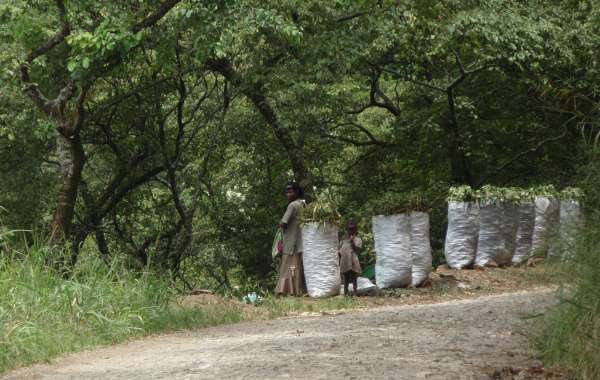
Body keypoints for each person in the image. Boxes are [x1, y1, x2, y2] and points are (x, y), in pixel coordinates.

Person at [274, 182, 306, 296]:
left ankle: (282, 292)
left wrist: (279, 226)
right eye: (287, 192)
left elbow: (283, 222)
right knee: (297, 268)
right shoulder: (303, 204)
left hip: (290, 243)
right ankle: (298, 291)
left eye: (290, 191)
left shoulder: (292, 205)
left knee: (286, 268)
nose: (288, 194)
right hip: (301, 243)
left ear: (297, 192)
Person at [339, 219, 362, 296]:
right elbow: (339, 250)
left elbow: (357, 249)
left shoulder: (358, 239)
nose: (351, 231)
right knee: (346, 278)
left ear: (355, 230)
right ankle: (346, 293)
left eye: (352, 229)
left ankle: (355, 292)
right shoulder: (343, 240)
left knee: (354, 277)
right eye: (349, 229)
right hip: (345, 261)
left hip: (353, 261)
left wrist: (352, 242)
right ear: (347, 230)